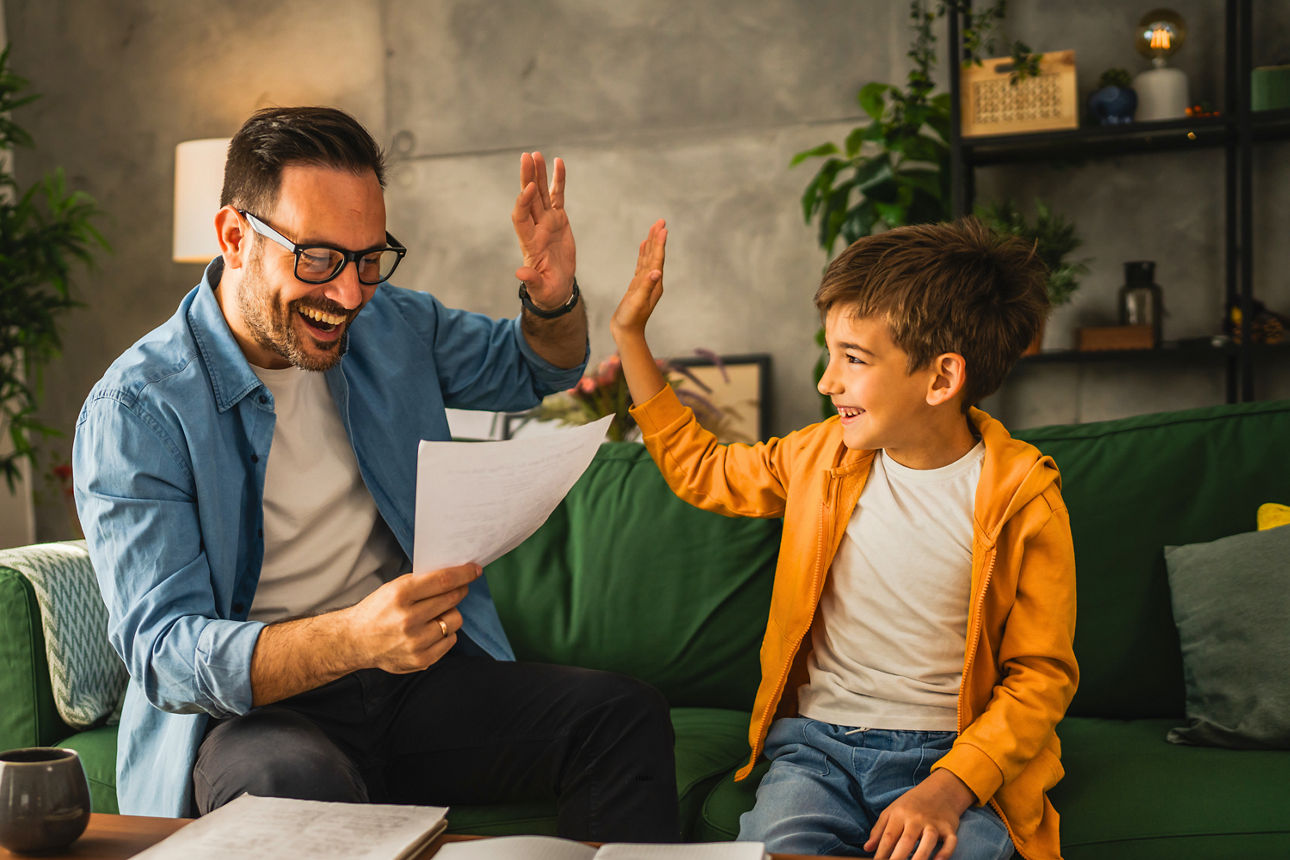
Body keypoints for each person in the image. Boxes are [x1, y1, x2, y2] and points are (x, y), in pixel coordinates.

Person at [73, 106, 678, 841]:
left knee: (621, 716)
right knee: (290, 786)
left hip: (413, 687)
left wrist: (551, 300)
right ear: (236, 238)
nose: (352, 296)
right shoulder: (137, 410)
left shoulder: (391, 323)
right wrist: (354, 638)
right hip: (260, 715)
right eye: (319, 259)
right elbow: (165, 655)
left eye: (367, 259)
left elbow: (535, 365)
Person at [609, 217, 1078, 860]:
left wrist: (951, 785)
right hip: (816, 752)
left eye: (853, 359)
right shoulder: (818, 457)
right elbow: (704, 470)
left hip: (953, 756)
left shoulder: (1023, 495)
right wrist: (629, 335)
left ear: (941, 379)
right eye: (830, 353)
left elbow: (1040, 677)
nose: (827, 381)